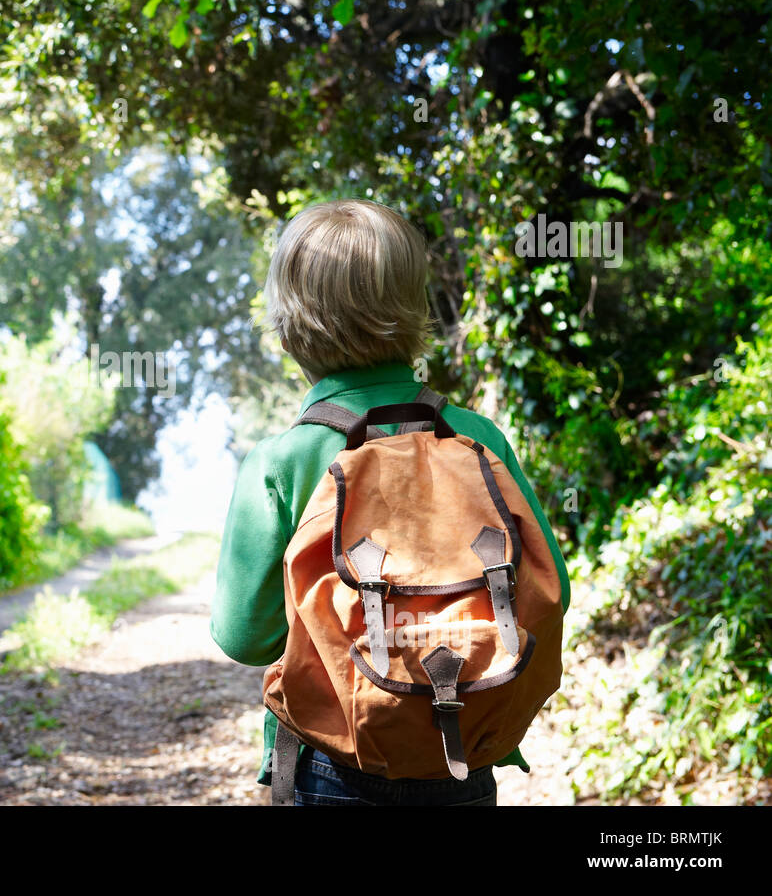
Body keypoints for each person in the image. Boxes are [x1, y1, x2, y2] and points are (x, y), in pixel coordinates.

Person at [211, 199, 570, 806]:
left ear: (289, 323)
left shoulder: (281, 461)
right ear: (413, 309)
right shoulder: (477, 439)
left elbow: (246, 636)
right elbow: (549, 586)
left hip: (333, 764)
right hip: (463, 756)